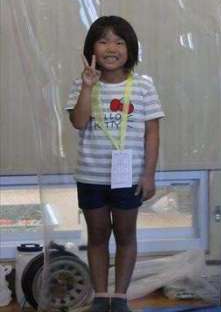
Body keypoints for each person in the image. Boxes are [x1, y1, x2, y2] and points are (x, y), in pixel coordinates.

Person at [66, 16, 165, 312]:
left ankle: (120, 297)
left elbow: (152, 133)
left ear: (130, 48)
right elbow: (78, 122)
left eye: (119, 42)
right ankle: (100, 296)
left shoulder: (143, 86)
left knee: (125, 235)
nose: (111, 48)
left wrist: (148, 175)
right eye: (103, 41)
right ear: (91, 49)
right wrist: (87, 86)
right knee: (97, 236)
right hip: (91, 176)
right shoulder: (81, 84)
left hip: (129, 177)